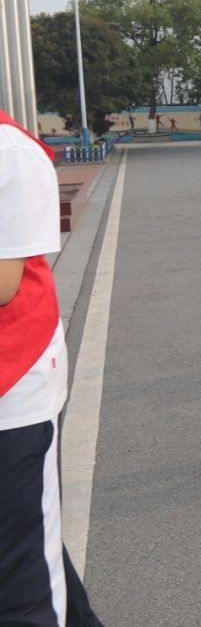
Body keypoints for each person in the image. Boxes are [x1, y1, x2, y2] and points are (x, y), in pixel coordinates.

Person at [0, 110, 104, 626]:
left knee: (23, 594)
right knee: (28, 551)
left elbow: (5, 284)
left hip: (12, 388)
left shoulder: (9, 151)